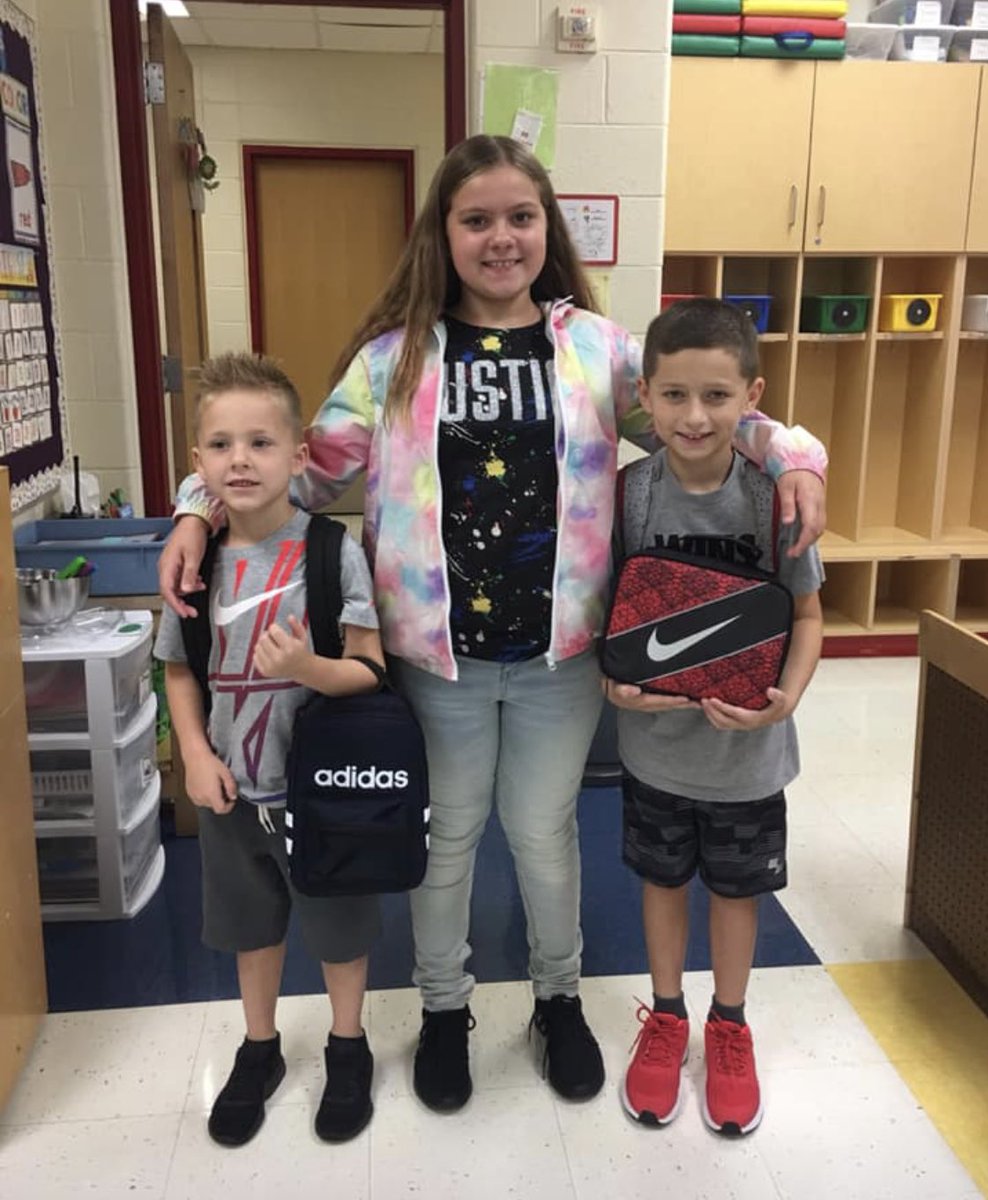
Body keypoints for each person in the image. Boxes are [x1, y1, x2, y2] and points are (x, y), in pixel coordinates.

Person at [157, 135, 828, 1114]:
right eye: (476, 219)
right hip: (436, 664)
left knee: (546, 836)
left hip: (559, 656)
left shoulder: (597, 355)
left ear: (545, 229)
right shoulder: (393, 361)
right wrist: (191, 504)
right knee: (447, 840)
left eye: (520, 217)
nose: (500, 237)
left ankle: (556, 1000)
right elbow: (277, 465)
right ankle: (442, 1010)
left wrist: (796, 454)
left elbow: (706, 410)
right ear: (444, 233)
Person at [154, 352, 385, 1148]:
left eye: (259, 443)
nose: (240, 461)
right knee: (252, 926)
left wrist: (306, 669)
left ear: (299, 454)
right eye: (220, 445)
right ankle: (260, 1049)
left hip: (318, 794)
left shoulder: (331, 551)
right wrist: (192, 752)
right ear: (197, 464)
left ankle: (348, 1046)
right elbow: (179, 666)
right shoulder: (193, 562)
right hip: (229, 789)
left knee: (337, 928)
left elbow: (368, 668)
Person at [606, 299, 824, 1136]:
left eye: (716, 396)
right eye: (673, 396)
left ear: (752, 397)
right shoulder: (626, 497)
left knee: (737, 893)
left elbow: (803, 618)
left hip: (748, 759)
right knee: (662, 883)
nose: (693, 416)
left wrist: (788, 700)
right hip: (656, 751)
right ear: (645, 399)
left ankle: (727, 1025)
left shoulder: (778, 499)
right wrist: (611, 686)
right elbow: (609, 622)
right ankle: (667, 1017)